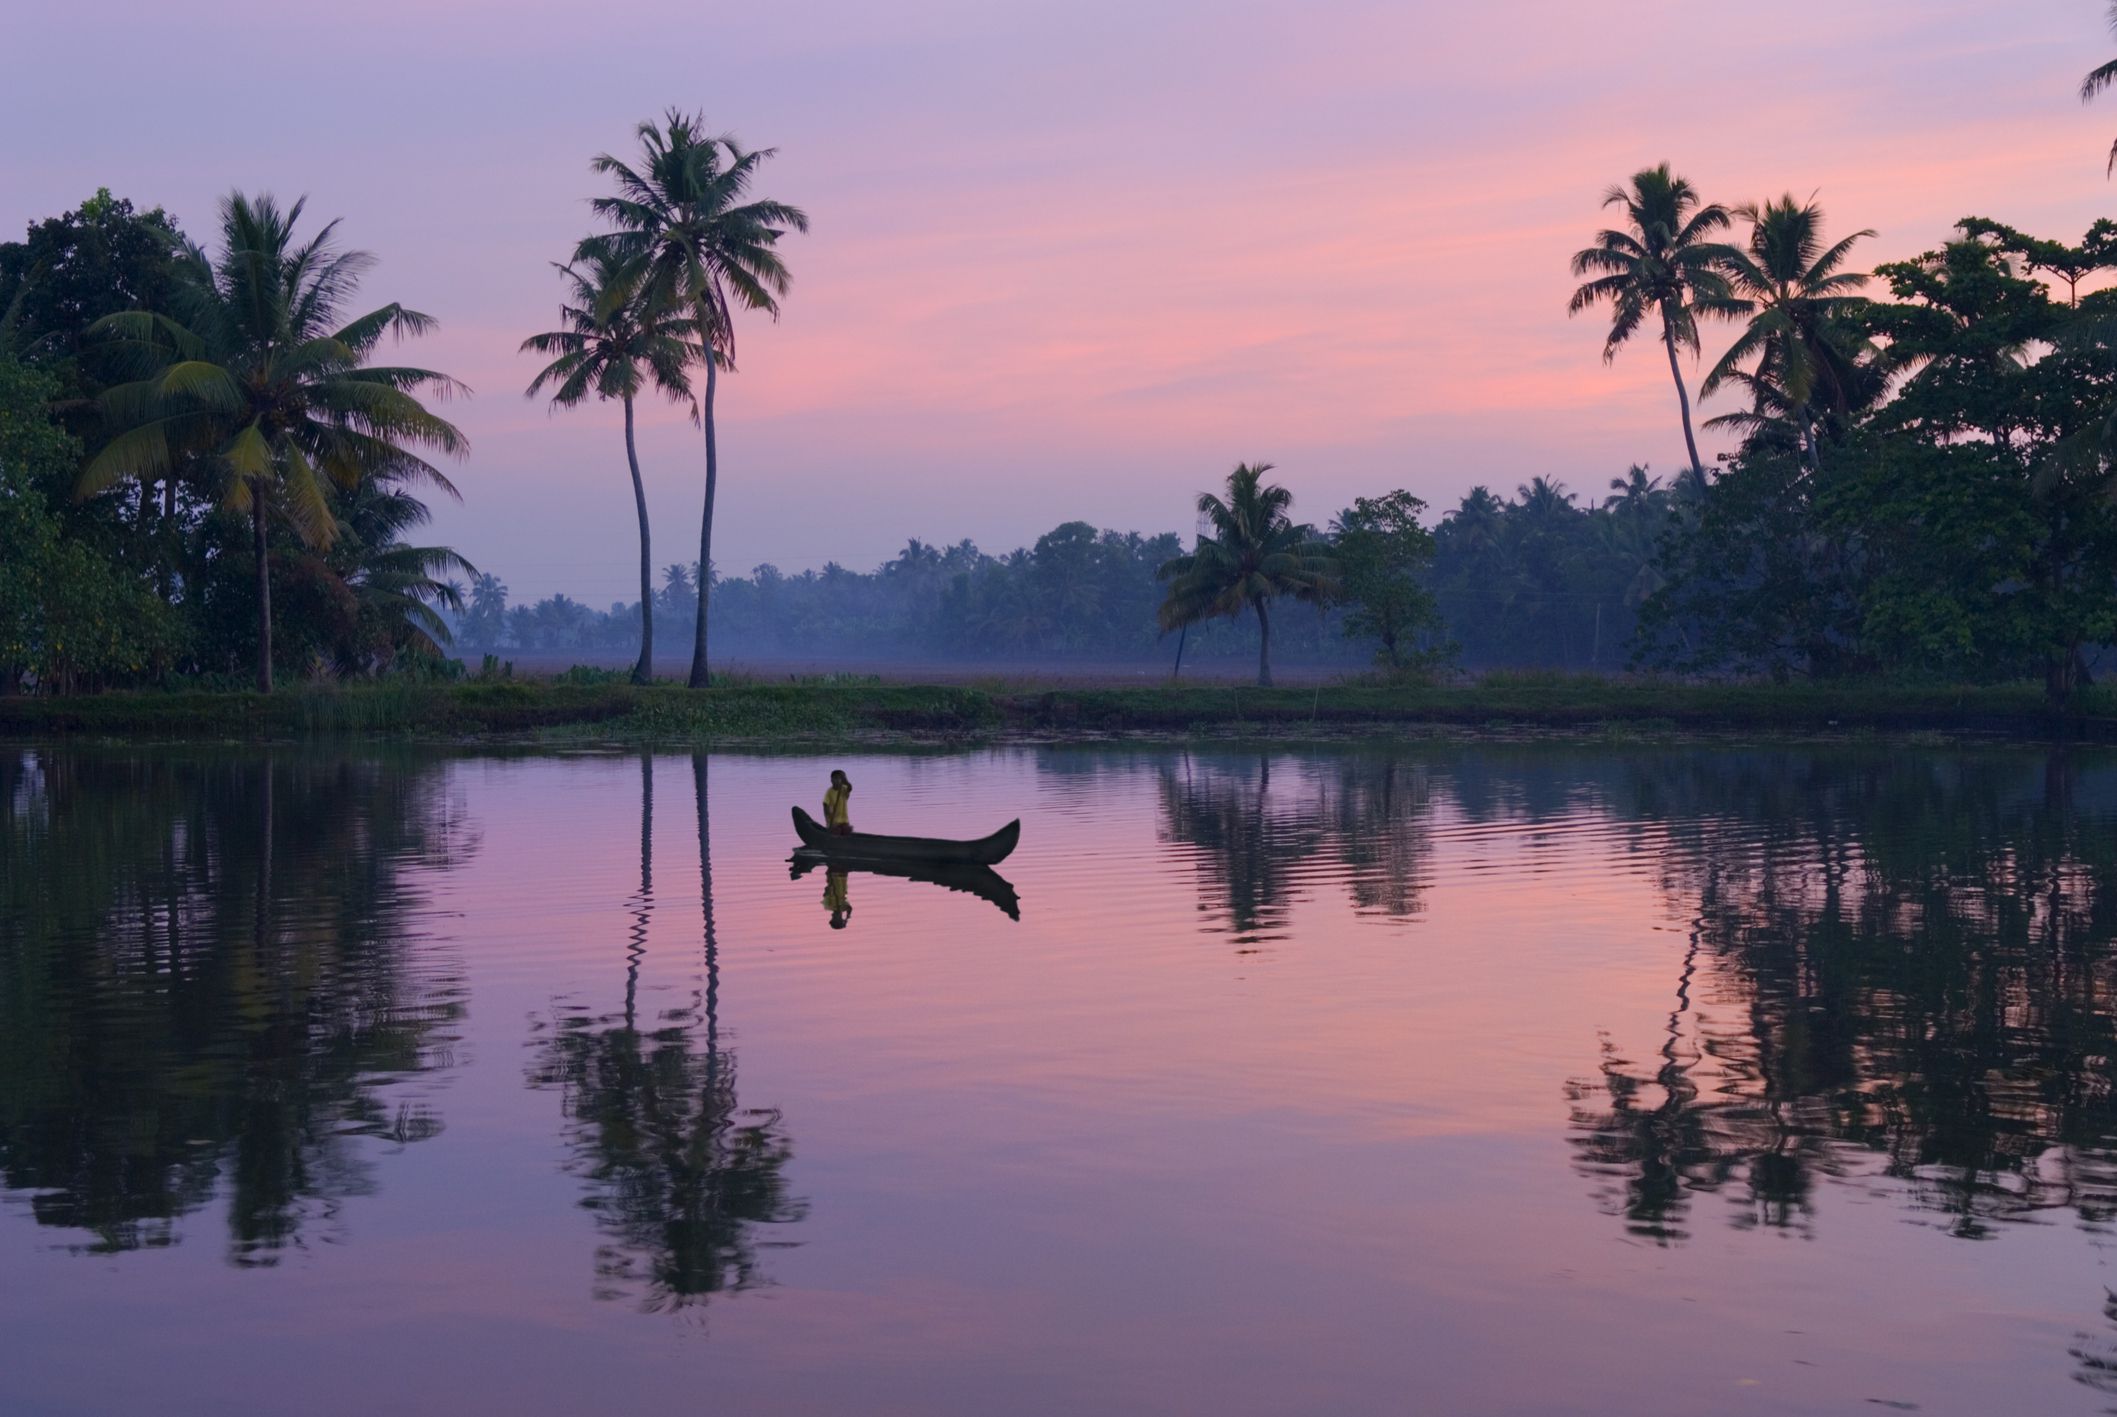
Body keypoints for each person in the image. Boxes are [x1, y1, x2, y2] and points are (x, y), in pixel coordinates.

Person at [823, 770, 854, 835]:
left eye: (839, 779)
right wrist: (829, 816)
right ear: (831, 780)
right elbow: (825, 805)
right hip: (834, 822)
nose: (837, 781)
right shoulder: (829, 792)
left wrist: (845, 781)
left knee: (847, 831)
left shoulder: (844, 789)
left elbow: (850, 788)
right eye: (835, 778)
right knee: (836, 832)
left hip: (844, 821)